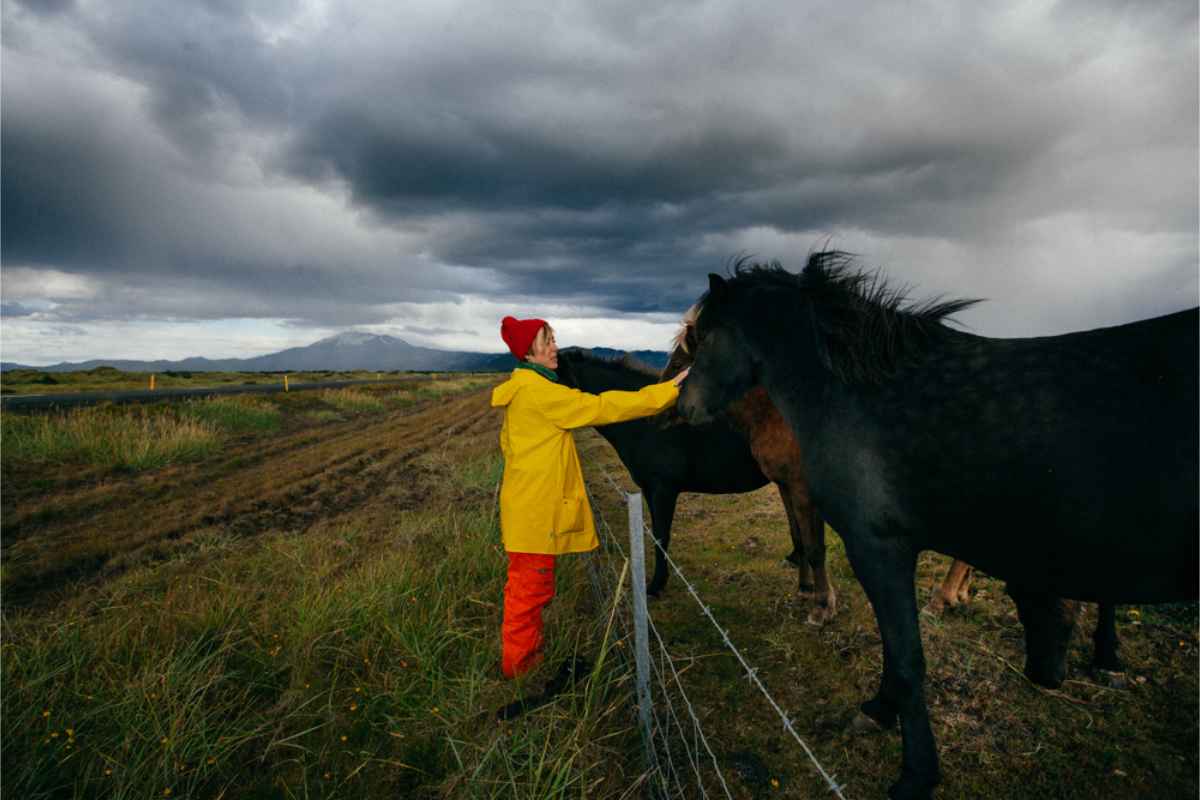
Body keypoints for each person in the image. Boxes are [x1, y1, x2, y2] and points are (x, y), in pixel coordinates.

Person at [490, 315, 689, 679]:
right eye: (546, 342)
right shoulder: (541, 393)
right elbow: (603, 408)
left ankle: (525, 659)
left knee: (530, 587)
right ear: (528, 354)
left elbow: (509, 447)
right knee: (528, 593)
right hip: (534, 514)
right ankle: (519, 671)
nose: (554, 348)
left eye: (553, 339)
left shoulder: (522, 391)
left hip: (525, 509)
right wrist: (667, 392)